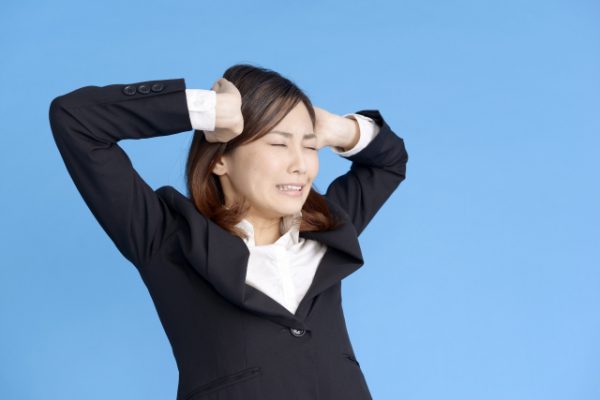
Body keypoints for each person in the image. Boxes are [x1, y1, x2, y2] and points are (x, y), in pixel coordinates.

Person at [49, 63, 409, 400]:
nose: (301, 164)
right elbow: (76, 119)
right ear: (220, 158)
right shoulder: (166, 237)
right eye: (279, 143)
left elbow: (388, 162)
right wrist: (206, 110)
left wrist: (336, 128)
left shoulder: (329, 229)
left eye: (310, 146)